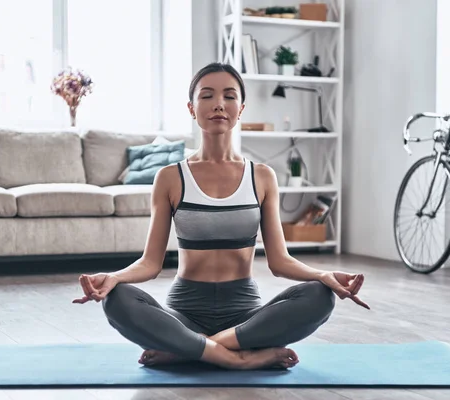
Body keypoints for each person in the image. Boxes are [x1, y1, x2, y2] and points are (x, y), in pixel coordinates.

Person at [73, 62, 370, 370]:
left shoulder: (263, 177)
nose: (218, 104)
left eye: (229, 96)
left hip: (245, 315)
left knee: (320, 296)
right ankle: (239, 358)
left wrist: (323, 276)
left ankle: (189, 347)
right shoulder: (170, 178)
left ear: (241, 108)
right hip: (183, 313)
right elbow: (150, 263)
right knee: (117, 300)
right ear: (192, 108)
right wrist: (113, 279)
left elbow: (280, 262)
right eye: (207, 96)